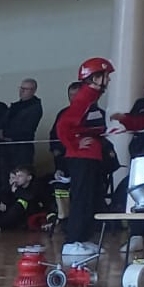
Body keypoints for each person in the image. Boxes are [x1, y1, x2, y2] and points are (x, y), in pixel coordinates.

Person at [54, 58, 113, 262]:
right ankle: (72, 241)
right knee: (81, 199)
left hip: (92, 157)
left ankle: (84, 238)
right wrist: (75, 144)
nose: (108, 80)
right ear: (95, 78)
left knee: (91, 198)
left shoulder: (92, 98)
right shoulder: (84, 97)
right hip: (81, 158)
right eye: (106, 76)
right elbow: (63, 126)